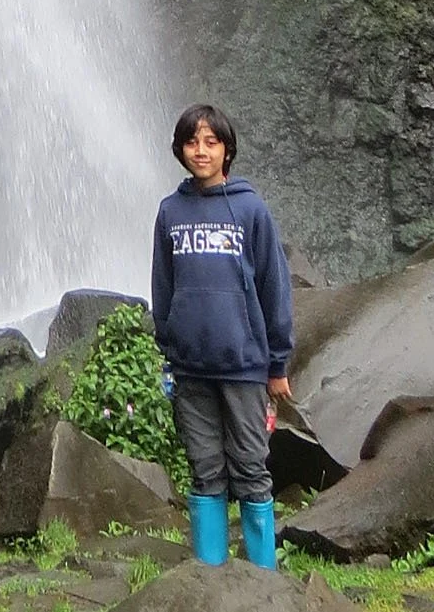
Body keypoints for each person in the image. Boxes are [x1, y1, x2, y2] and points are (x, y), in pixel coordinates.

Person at [150, 101, 294, 572]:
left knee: (251, 467)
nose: (201, 151)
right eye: (192, 142)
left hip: (244, 365)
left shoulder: (251, 210)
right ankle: (210, 576)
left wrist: (277, 364)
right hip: (191, 367)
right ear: (179, 149)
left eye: (211, 142)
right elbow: (163, 286)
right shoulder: (170, 212)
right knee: (204, 469)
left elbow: (274, 286)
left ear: (227, 150)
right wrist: (168, 348)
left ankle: (263, 578)